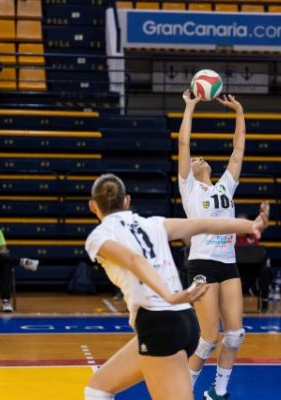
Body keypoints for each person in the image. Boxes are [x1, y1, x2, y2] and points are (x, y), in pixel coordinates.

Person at [83, 173, 269, 400]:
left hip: (159, 323)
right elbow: (205, 223)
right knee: (97, 389)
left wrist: (169, 296)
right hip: (182, 322)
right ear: (127, 201)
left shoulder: (99, 236)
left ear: (92, 206)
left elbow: (134, 260)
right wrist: (251, 225)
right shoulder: (153, 224)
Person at [178, 89, 253, 400]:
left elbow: (237, 151)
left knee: (235, 335)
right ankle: (182, 392)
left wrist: (238, 112)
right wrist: (190, 106)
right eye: (194, 159)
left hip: (227, 263)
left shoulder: (224, 186)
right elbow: (184, 142)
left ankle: (218, 392)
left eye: (200, 158)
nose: (198, 158)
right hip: (202, 264)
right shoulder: (189, 188)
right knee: (208, 338)